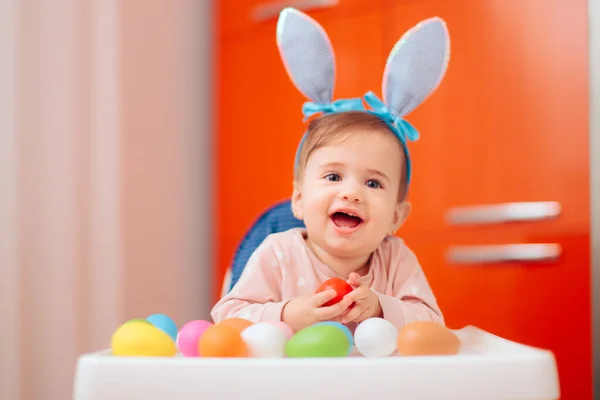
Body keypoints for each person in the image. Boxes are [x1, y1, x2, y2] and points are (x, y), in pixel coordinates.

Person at [211, 8, 451, 334]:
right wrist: (286, 314)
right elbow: (227, 317)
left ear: (397, 217)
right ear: (298, 198)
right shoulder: (278, 253)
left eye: (373, 182)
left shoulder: (396, 260)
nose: (351, 192)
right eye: (333, 177)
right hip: (292, 384)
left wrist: (382, 307)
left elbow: (434, 325)